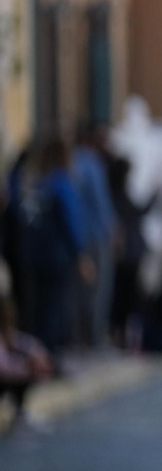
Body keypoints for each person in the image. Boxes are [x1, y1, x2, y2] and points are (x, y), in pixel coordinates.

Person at [6, 140, 89, 369]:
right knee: (54, 309)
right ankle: (49, 357)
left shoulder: (40, 184)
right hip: (56, 257)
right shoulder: (61, 184)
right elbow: (71, 221)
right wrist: (80, 254)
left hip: (35, 257)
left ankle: (40, 355)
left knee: (39, 308)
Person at [69, 123, 117, 350]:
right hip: (96, 237)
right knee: (97, 292)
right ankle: (94, 340)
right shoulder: (91, 164)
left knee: (80, 292)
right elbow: (100, 203)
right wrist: (112, 230)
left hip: (80, 236)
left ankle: (80, 338)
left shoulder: (72, 162)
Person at [106, 155, 153, 349]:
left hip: (129, 253)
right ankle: (119, 332)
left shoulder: (120, 194)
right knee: (124, 295)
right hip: (126, 254)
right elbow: (135, 213)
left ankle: (122, 332)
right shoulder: (117, 196)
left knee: (126, 295)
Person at [0, 287, 53, 435]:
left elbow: (25, 343)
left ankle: (20, 413)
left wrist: (38, 356)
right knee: (22, 374)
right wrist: (30, 370)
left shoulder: (7, 334)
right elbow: (4, 369)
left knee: (33, 363)